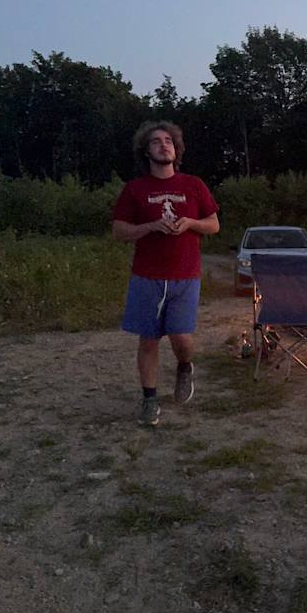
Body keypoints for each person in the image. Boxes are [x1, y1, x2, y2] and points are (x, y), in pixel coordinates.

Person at [108, 121, 217, 427]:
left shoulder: (193, 185)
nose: (164, 144)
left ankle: (184, 367)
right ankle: (149, 399)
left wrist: (190, 223)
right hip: (147, 276)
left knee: (181, 337)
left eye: (168, 140)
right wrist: (150, 227)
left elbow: (213, 224)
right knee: (148, 341)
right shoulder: (135, 189)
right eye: (156, 141)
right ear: (147, 151)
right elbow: (119, 231)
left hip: (185, 275)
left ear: (176, 148)